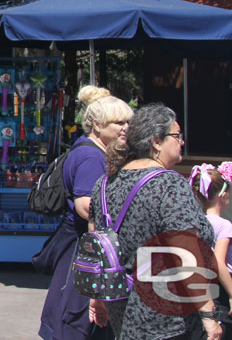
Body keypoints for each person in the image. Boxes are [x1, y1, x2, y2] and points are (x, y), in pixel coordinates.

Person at [88, 103, 221, 340]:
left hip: (122, 313)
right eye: (176, 135)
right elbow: (186, 252)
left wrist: (97, 297)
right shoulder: (169, 185)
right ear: (156, 142)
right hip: (169, 321)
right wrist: (209, 315)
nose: (181, 141)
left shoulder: (105, 184)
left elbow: (98, 245)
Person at [38, 85, 132, 340]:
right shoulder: (91, 156)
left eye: (127, 122)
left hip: (80, 247)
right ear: (98, 125)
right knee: (76, 321)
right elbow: (85, 207)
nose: (125, 128)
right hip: (84, 248)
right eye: (118, 122)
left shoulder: (88, 150)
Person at [191, 162, 232, 323]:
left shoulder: (196, 222)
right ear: (223, 196)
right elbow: (219, 262)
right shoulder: (224, 225)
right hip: (222, 290)